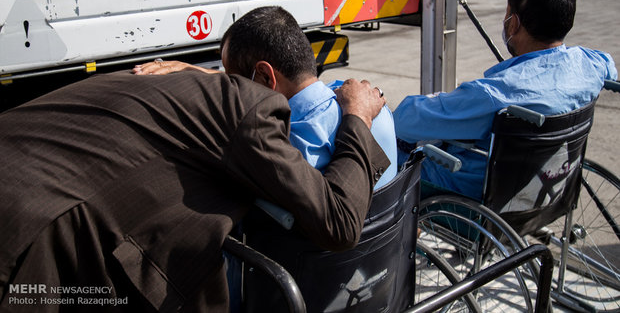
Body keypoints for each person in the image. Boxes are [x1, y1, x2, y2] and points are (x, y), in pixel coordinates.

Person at [0, 67, 389, 312]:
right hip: (27, 241)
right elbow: (338, 221)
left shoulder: (135, 79)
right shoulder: (252, 106)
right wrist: (356, 117)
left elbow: (337, 220)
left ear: (263, 77)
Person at [393, 0, 617, 200]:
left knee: (385, 144)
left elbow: (403, 120)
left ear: (513, 23)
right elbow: (610, 67)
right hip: (545, 193)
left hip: (470, 196)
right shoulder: (592, 64)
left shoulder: (495, 94)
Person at [134, 6, 398, 189]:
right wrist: (200, 71)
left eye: (235, 81)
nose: (233, 89)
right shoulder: (370, 102)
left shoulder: (284, 149)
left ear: (263, 75)